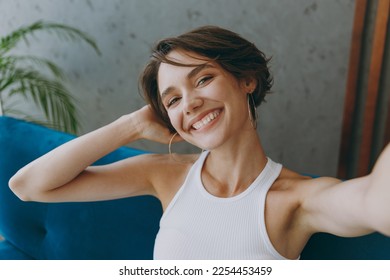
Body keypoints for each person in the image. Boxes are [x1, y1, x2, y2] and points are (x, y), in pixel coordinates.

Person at [9, 26, 390, 260]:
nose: (189, 103)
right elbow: (27, 186)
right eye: (172, 100)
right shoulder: (165, 176)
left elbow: (375, 202)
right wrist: (131, 126)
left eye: (203, 79)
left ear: (246, 80)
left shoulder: (297, 199)